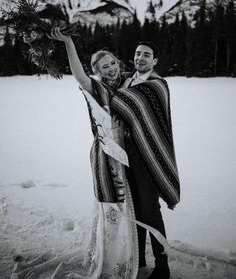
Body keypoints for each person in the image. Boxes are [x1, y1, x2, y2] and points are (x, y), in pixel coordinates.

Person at [11, 28, 139, 279]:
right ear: (97, 72)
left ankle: (129, 256)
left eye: (112, 62)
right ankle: (112, 261)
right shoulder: (97, 89)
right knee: (113, 205)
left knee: (130, 209)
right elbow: (79, 77)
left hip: (130, 154)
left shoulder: (127, 84)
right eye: (104, 67)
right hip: (108, 155)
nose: (111, 68)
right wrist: (68, 42)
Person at [110, 41, 181, 279]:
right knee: (134, 209)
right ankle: (138, 260)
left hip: (148, 157)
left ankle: (162, 267)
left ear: (155, 61)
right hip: (125, 153)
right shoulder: (125, 80)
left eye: (147, 55)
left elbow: (116, 100)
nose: (141, 57)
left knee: (150, 210)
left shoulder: (157, 85)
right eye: (138, 53)